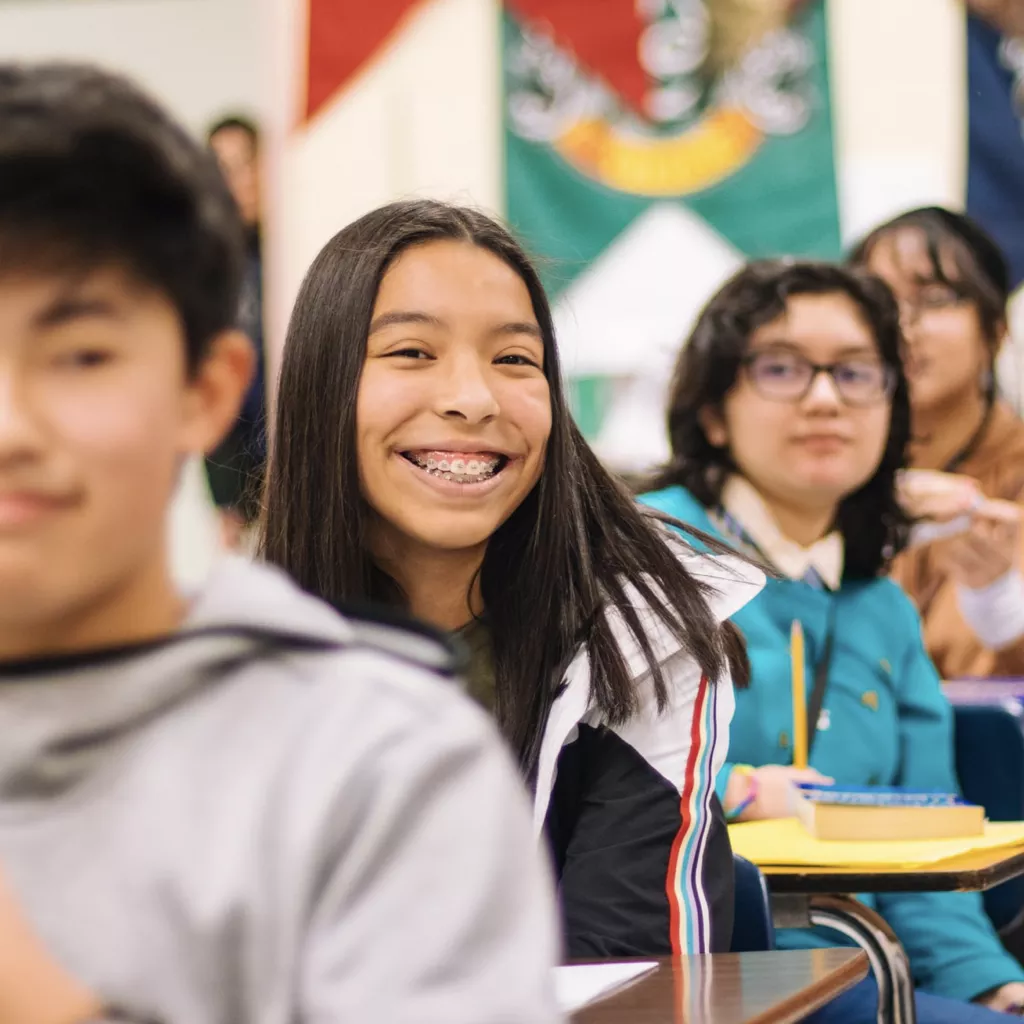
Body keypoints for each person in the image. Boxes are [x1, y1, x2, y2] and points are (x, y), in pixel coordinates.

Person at [0, 63, 562, 1024]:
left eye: (80, 355)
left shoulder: (380, 765)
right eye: (412, 352)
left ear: (208, 392)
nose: (11, 426)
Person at [260, 198, 765, 958]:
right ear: (321, 387)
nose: (473, 398)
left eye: (515, 360)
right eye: (411, 353)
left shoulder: (639, 645)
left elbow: (640, 981)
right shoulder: (223, 662)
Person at [640, 260, 1024, 1021]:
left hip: (860, 970)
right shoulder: (647, 554)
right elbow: (577, 787)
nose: (825, 399)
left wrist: (997, 988)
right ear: (714, 410)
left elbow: (928, 842)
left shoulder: (882, 606)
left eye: (857, 373)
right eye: (781, 369)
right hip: (691, 966)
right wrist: (744, 792)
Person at [852, 207, 1024, 680]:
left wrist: (1003, 611)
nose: (903, 324)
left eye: (934, 298)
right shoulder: (835, 478)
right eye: (878, 300)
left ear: (995, 329)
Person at [207, 115, 266, 548]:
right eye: (221, 169)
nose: (236, 182)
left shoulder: (295, 249)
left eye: (244, 165)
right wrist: (224, 498)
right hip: (243, 470)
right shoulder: (213, 269)